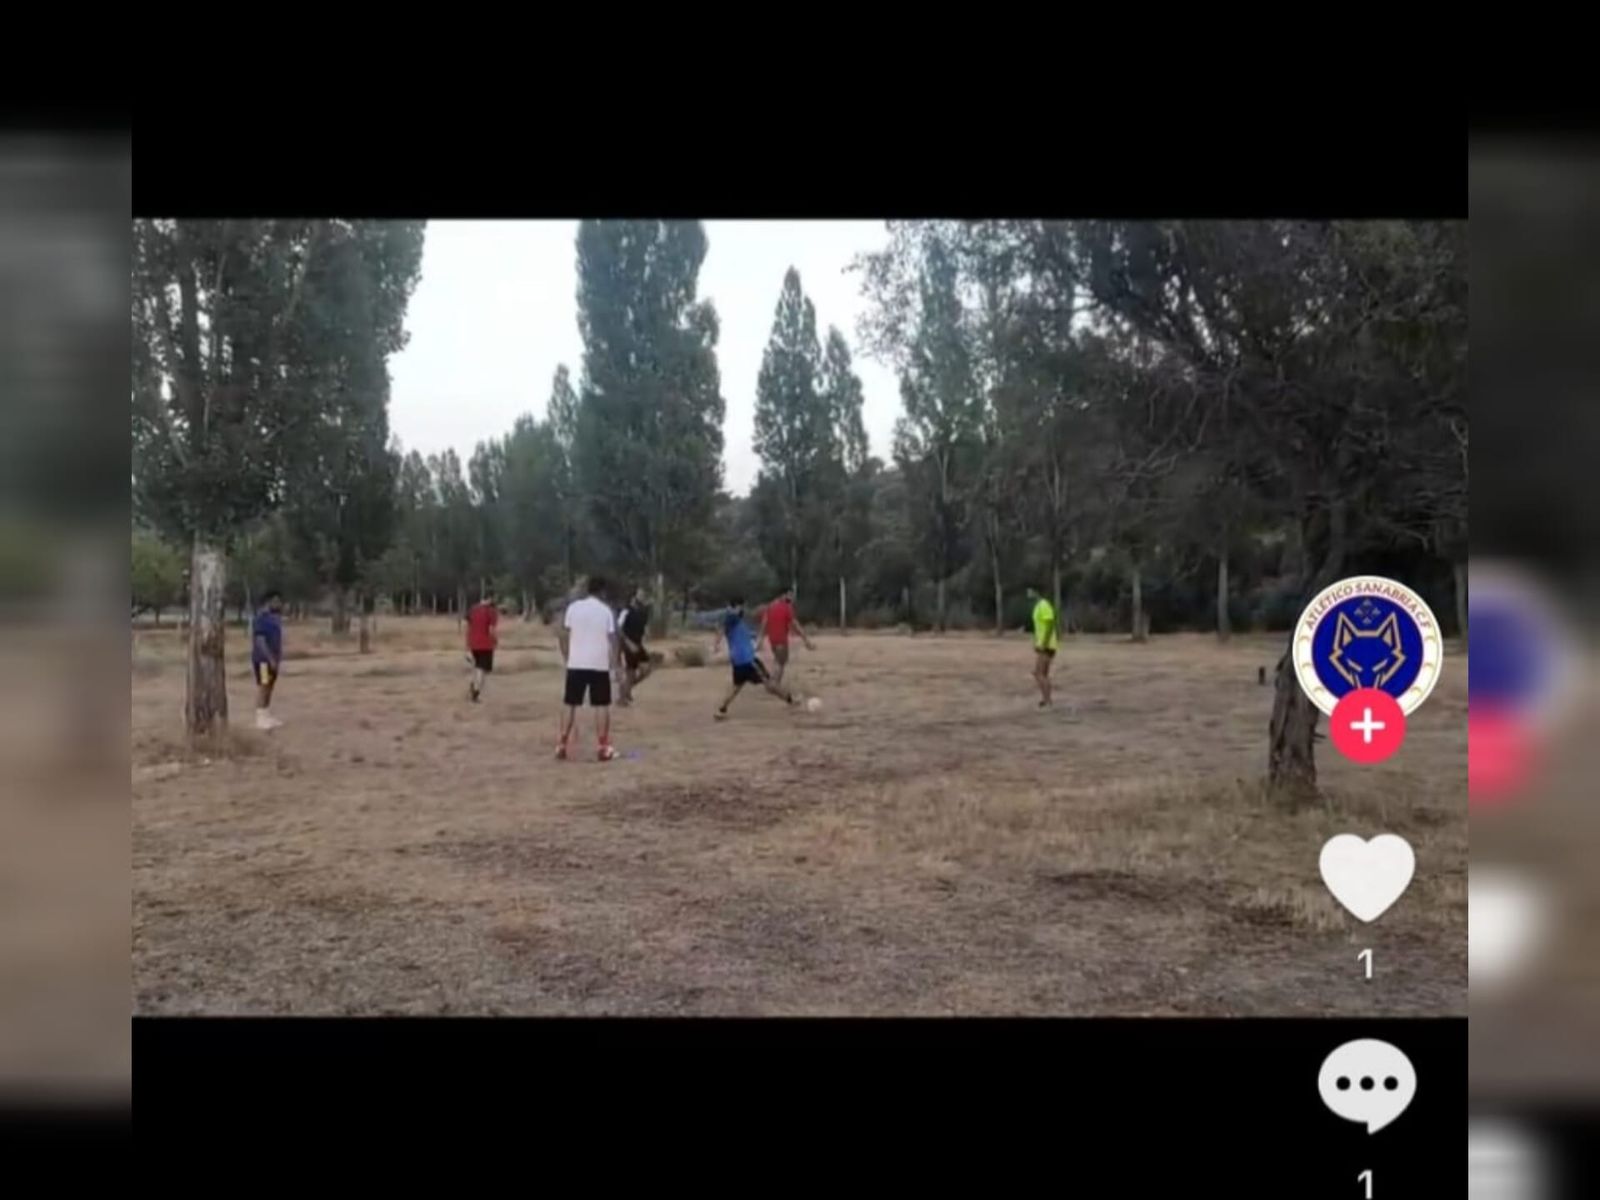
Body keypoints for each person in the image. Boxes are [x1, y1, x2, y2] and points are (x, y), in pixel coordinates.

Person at [557, 575, 620, 761]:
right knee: (601, 704)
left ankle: (562, 743)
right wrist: (615, 663)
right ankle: (603, 745)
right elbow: (613, 639)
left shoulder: (574, 608)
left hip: (576, 663)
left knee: (570, 703)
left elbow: (563, 634)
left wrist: (567, 656)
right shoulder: (605, 611)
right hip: (598, 664)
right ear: (603, 591)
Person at [712, 594, 798, 720]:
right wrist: (716, 643)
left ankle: (721, 710)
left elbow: (728, 630)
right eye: (742, 607)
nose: (743, 610)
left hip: (738, 661)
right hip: (748, 660)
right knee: (769, 683)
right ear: (737, 606)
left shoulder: (734, 620)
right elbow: (722, 629)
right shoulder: (732, 618)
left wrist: (717, 644)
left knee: (737, 686)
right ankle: (791, 700)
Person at [757, 585, 814, 685]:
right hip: (781, 639)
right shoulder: (787, 608)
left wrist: (760, 638)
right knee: (781, 662)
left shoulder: (770, 606)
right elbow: (796, 625)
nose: (791, 598)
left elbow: (764, 623)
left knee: (777, 660)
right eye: (790, 595)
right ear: (783, 595)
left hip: (772, 639)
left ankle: (773, 681)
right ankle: (774, 684)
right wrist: (805, 639)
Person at [251, 590, 285, 730]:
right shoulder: (261, 619)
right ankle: (260, 717)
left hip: (273, 659)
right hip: (263, 661)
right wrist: (269, 658)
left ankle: (266, 713)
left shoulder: (274, 619)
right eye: (276, 601)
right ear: (268, 602)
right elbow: (260, 641)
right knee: (264, 685)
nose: (279, 604)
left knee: (270, 686)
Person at [616, 587, 653, 706]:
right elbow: (619, 629)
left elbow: (644, 627)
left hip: (638, 644)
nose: (643, 596)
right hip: (628, 644)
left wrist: (646, 633)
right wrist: (628, 643)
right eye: (640, 594)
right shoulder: (626, 611)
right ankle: (622, 697)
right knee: (631, 672)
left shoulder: (643, 612)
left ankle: (626, 691)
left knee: (647, 669)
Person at [1026, 585, 1059, 708]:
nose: (1028, 593)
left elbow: (1050, 623)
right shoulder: (1038, 606)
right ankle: (1046, 699)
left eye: (1029, 590)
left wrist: (1044, 643)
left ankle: (1048, 700)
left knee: (1038, 673)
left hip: (1047, 645)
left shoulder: (1044, 605)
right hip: (1044, 644)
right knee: (1042, 674)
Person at [465, 586, 499, 703]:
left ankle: (473, 685)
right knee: (482, 670)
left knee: (476, 667)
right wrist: (495, 640)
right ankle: (475, 692)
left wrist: (467, 643)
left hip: (473, 644)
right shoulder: (491, 612)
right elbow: (491, 629)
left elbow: (468, 626)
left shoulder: (472, 609)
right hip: (485, 645)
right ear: (491, 598)